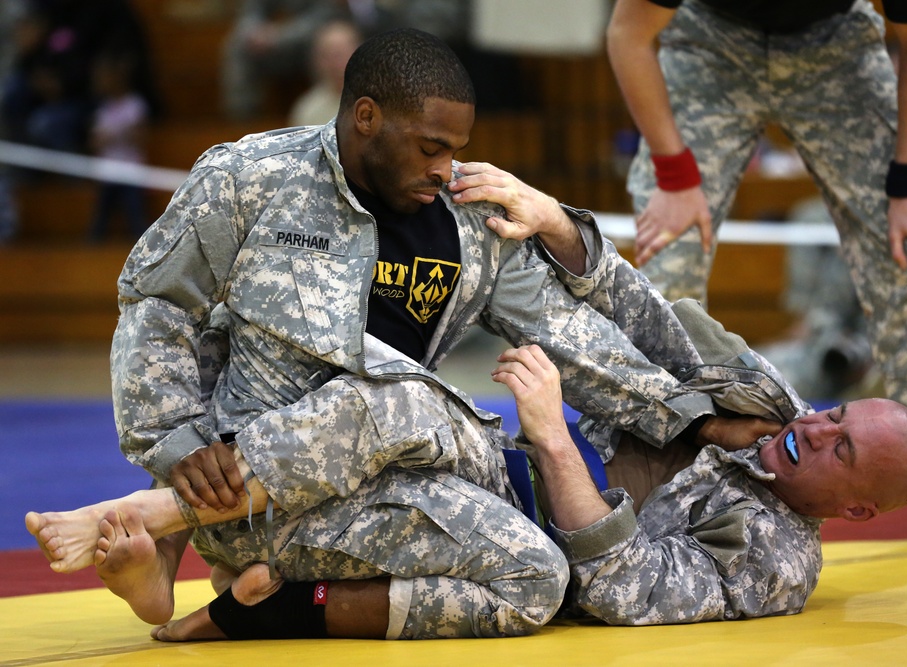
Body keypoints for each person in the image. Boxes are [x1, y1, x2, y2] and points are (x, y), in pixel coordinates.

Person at [37, 27, 753, 639]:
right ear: (367, 117)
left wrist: (689, 414)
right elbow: (157, 303)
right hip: (235, 481)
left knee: (540, 575)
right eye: (431, 146)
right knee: (326, 368)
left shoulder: (473, 221)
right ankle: (177, 533)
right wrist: (174, 440)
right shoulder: (248, 178)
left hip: (374, 494)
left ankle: (253, 593)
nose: (445, 168)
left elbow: (574, 338)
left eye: (457, 149)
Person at [605, 0, 907, 546]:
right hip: (712, 41)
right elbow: (628, 34)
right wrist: (675, 177)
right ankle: (650, 481)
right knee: (661, 261)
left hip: (835, 44)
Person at [494, 344, 907, 625]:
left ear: (857, 510)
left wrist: (553, 438)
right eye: (835, 414)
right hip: (500, 451)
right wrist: (702, 425)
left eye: (842, 450)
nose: (815, 429)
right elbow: (653, 320)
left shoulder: (776, 560)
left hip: (510, 527)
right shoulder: (777, 410)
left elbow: (625, 588)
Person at [761, 110, 907, 399]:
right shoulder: (876, 214)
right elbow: (830, 305)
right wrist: (835, 342)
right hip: (855, 352)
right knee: (760, 374)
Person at [88, 51, 149, 241]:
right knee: (99, 222)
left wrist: (114, 135)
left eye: (104, 76)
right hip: (107, 172)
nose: (100, 82)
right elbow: (95, 143)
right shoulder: (102, 108)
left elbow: (141, 138)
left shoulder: (135, 105)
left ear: (116, 77)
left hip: (131, 172)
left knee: (136, 218)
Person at [288, 20, 361, 127]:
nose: (335, 63)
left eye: (340, 54)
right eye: (327, 56)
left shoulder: (380, 100)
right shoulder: (307, 109)